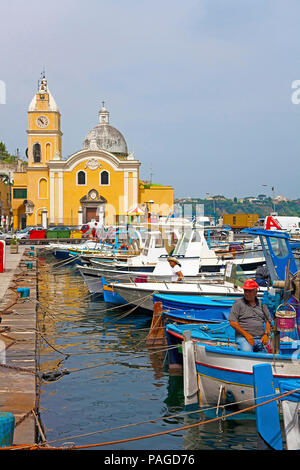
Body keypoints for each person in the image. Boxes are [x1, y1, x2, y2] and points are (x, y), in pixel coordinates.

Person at [228, 279, 273, 352]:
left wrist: (266, 334)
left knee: (271, 350)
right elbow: (232, 322)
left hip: (260, 337)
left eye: (249, 291)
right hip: (243, 337)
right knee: (247, 350)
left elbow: (268, 320)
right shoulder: (238, 304)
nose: (247, 293)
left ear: (255, 292)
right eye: (245, 291)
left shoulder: (262, 304)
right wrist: (247, 335)